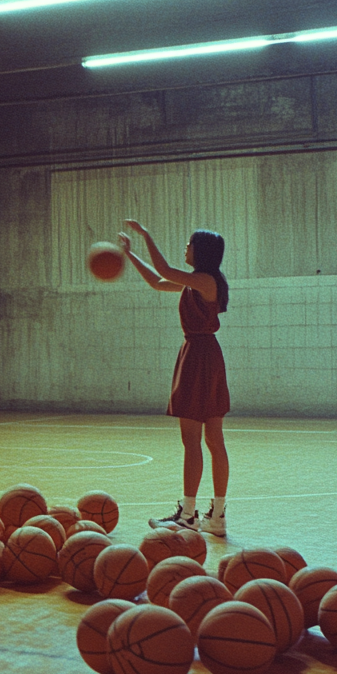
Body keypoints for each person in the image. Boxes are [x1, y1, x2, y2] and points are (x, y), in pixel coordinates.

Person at [118, 220, 231, 536]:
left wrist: (146, 235)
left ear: (201, 251)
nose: (185, 247)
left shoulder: (205, 281)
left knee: (195, 440)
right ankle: (215, 517)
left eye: (188, 243)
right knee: (211, 440)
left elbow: (165, 270)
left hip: (198, 356)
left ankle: (189, 515)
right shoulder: (197, 283)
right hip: (207, 355)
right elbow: (157, 281)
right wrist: (130, 254)